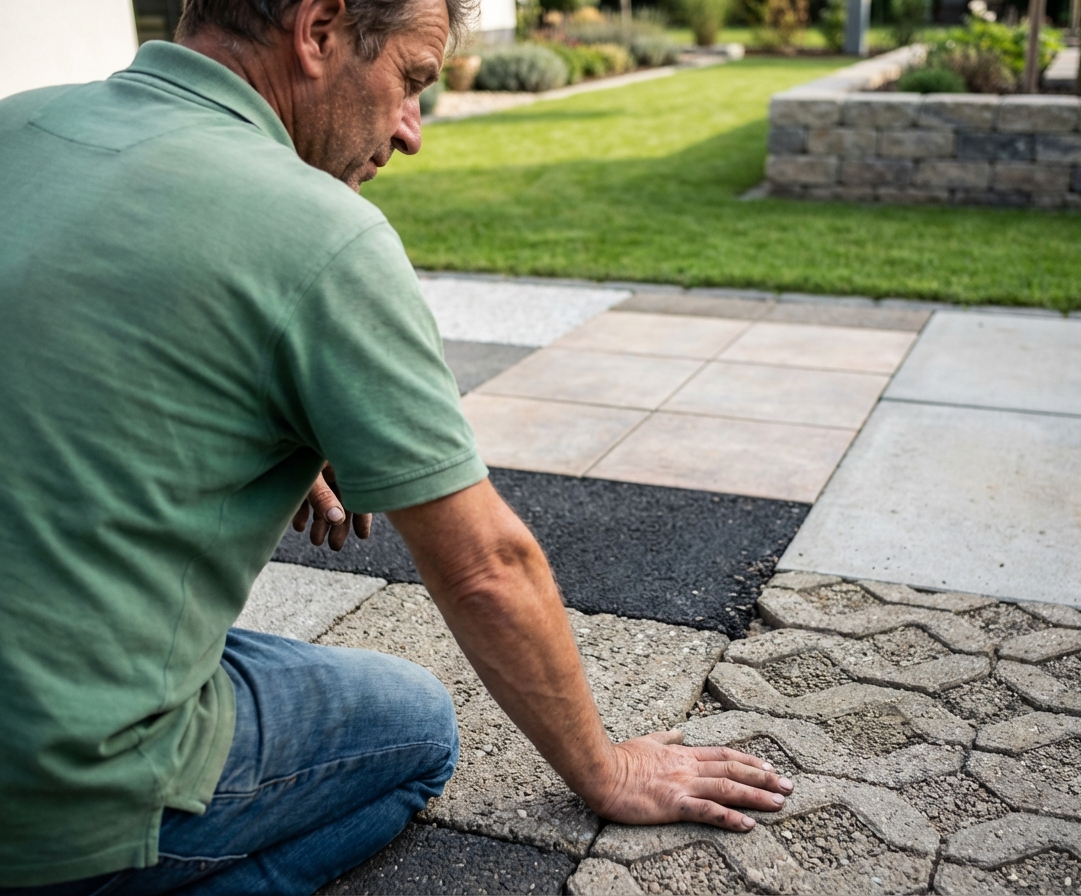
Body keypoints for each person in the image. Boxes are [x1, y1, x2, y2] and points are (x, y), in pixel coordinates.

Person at [0, 0, 793, 892]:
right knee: (416, 725)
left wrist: (251, 413)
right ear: (319, 27)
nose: (411, 130)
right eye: (411, 79)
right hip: (55, 795)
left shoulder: (19, 122)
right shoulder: (316, 231)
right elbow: (486, 566)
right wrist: (606, 770)